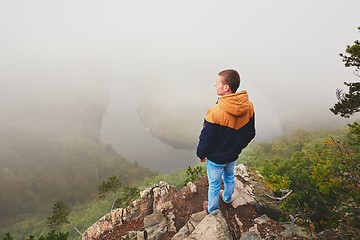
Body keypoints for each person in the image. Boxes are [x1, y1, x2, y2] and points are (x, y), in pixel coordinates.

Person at [196, 69, 255, 214]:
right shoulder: (248, 107)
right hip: (232, 156)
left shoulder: (215, 112)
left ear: (226, 87)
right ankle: (227, 198)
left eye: (217, 83)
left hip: (216, 158)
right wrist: (236, 148)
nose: (215, 85)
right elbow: (250, 133)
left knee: (214, 185)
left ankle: (213, 210)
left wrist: (201, 153)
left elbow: (206, 139)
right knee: (229, 177)